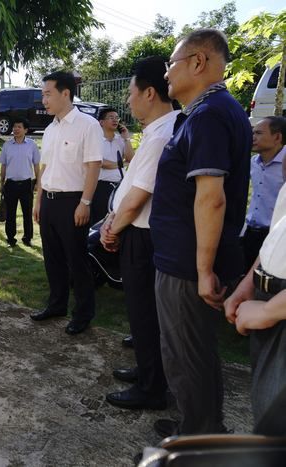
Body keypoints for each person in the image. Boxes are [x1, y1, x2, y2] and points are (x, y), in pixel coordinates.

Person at [149, 29, 251, 437]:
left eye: (171, 64)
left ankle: (193, 445)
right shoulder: (215, 110)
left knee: (184, 358)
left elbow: (212, 198)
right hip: (191, 260)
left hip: (189, 266)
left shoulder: (208, 115)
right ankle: (206, 427)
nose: (167, 75)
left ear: (198, 62)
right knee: (199, 354)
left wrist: (204, 268)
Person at [98, 57, 180, 411]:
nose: (127, 102)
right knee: (142, 313)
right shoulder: (158, 130)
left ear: (149, 93)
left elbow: (138, 197)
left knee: (145, 314)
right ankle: (148, 372)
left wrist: (112, 228)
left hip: (142, 236)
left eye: (131, 94)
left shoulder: (162, 134)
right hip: (134, 228)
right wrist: (113, 217)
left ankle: (151, 388)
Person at [30, 71, 103, 335]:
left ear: (65, 93)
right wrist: (38, 202)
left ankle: (83, 313)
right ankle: (56, 305)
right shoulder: (50, 129)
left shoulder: (88, 125)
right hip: (48, 200)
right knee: (52, 258)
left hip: (73, 201)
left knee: (77, 258)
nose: (44, 100)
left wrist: (85, 202)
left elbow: (93, 166)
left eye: (48, 94)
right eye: (42, 95)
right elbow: (45, 167)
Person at [225, 173, 286, 425]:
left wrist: (269, 311)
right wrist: (250, 282)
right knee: (266, 411)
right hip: (270, 299)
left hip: (277, 307)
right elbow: (279, 232)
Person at [242, 116, 285, 274]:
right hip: (251, 234)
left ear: (277, 137)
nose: (253, 138)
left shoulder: (285, 164)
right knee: (248, 279)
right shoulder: (253, 162)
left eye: (258, 133)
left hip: (276, 237)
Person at [0, 117, 41, 248]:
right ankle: (11, 239)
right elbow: (3, 165)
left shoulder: (32, 145)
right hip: (10, 184)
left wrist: (38, 183)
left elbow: (36, 165)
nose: (15, 129)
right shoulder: (7, 145)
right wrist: (1, 183)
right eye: (14, 126)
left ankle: (27, 238)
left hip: (26, 184)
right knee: (10, 212)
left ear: (26, 130)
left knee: (27, 212)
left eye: (19, 127)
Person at [91, 108, 135, 224]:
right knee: (97, 219)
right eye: (111, 118)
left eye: (117, 118)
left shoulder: (120, 139)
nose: (115, 120)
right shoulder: (96, 139)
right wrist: (121, 164)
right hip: (101, 186)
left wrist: (126, 138)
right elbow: (101, 163)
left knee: (117, 219)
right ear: (101, 122)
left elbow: (131, 158)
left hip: (120, 185)